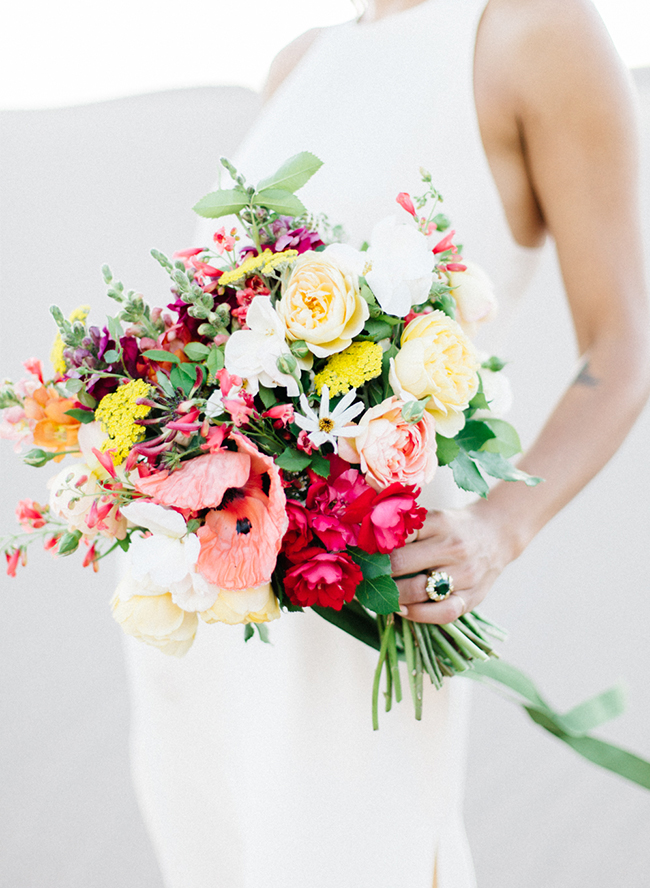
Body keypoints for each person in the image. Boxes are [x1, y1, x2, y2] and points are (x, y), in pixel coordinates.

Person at [124, 2, 649, 886]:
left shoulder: (534, 31)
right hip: (208, 605)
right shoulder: (302, 61)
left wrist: (498, 528)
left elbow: (626, 341)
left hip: (367, 592)